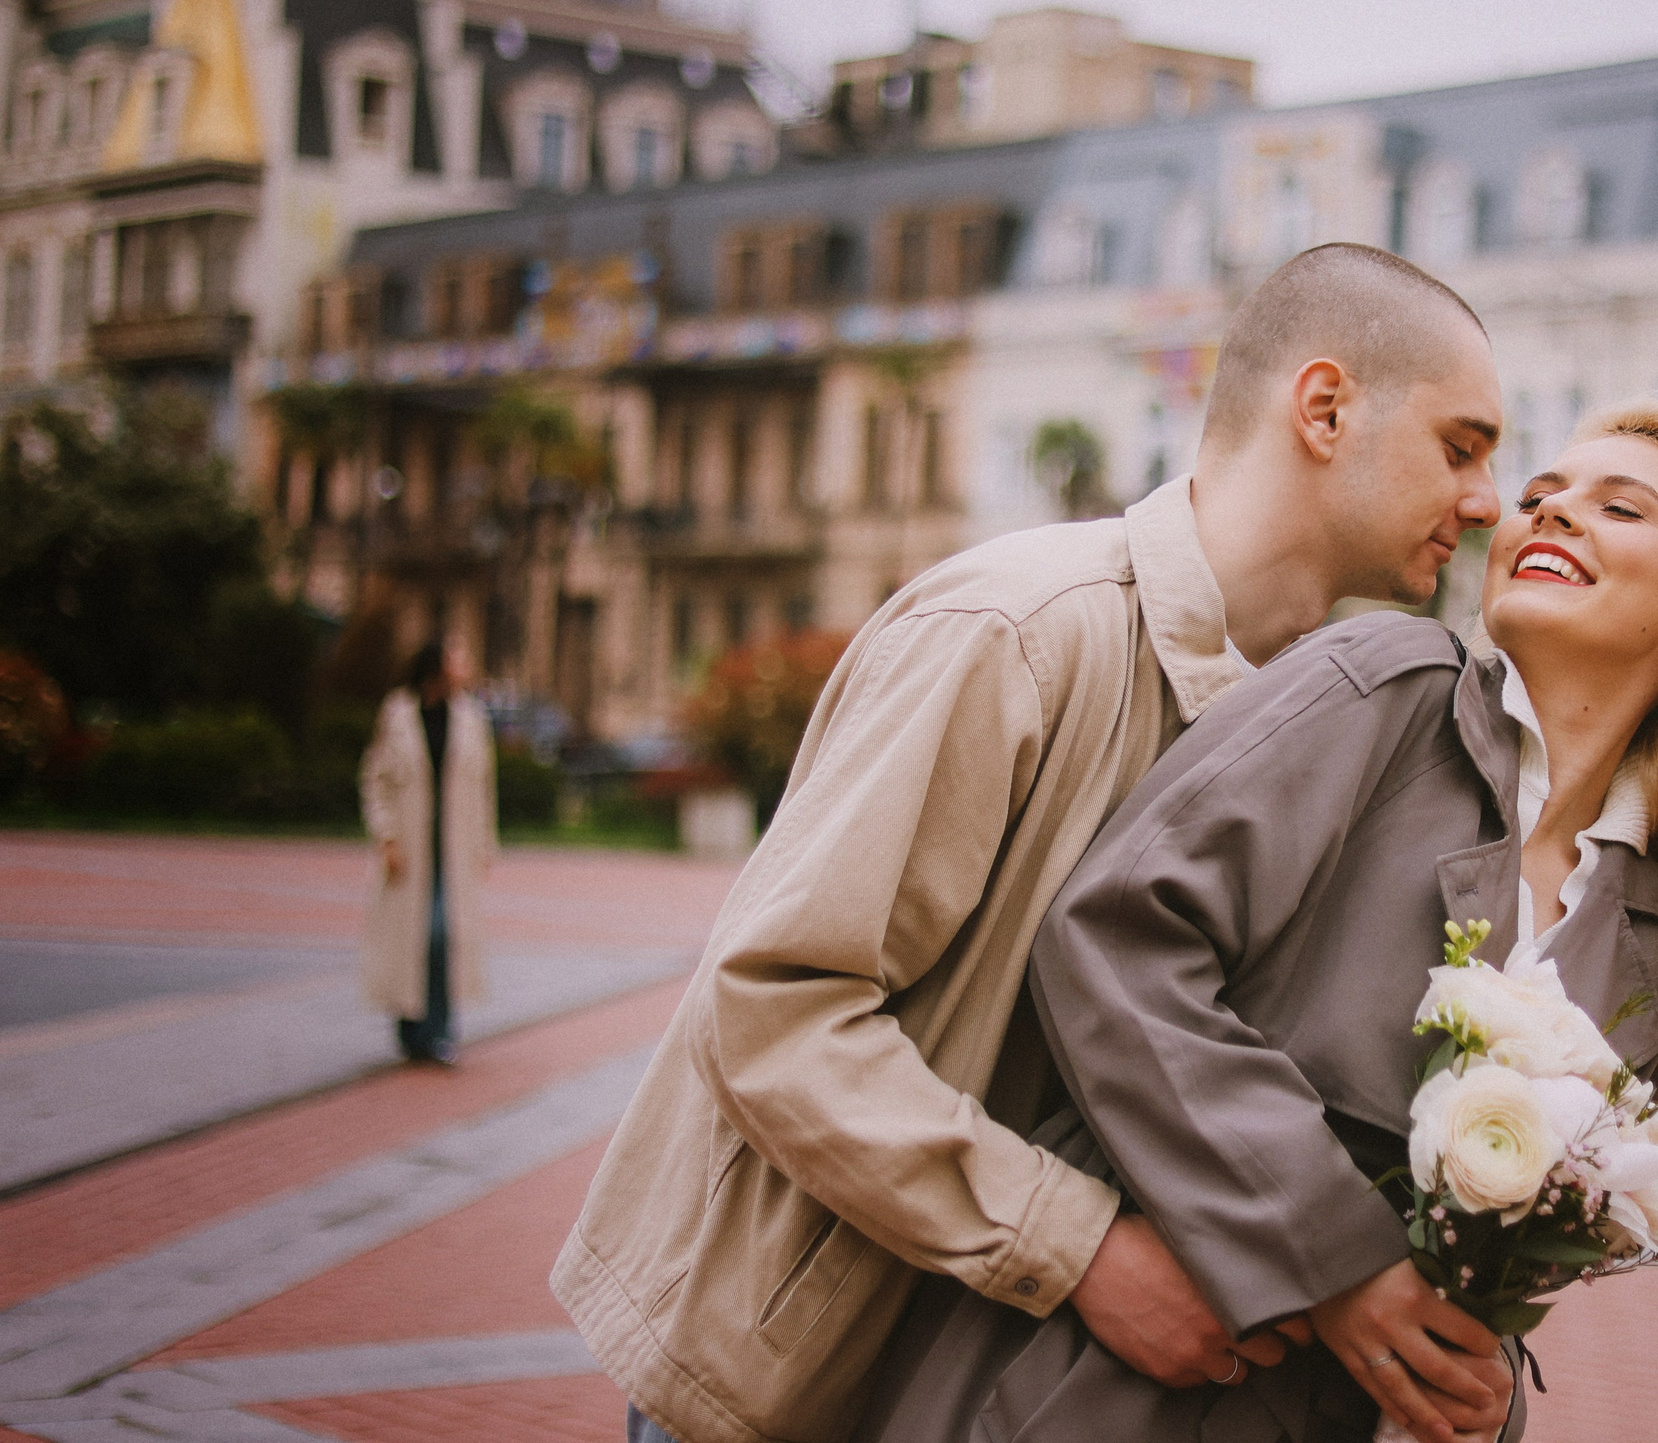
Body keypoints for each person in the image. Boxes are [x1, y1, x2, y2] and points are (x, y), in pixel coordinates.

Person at [555, 244, 1517, 1443]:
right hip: (792, 1399)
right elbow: (774, 1011)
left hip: (974, 1391)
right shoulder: (1017, 632)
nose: (1489, 501)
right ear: (1324, 409)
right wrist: (1081, 1254)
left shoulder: (1318, 722)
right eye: (1462, 446)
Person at [852, 402, 1658, 1443]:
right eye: (1540, 497)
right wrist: (1336, 1261)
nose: (1547, 516)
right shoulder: (1385, 691)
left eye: (1618, 508)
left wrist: (1482, 1393)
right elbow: (1116, 932)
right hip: (1106, 1382)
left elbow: (1505, 1249)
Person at [359, 639, 496, 1065]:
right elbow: (375, 779)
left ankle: (439, 1029)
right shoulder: (397, 713)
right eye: (457, 659)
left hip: (452, 849)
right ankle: (412, 1029)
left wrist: (484, 842)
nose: (465, 667)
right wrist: (386, 837)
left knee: (442, 935)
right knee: (413, 939)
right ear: (437, 666)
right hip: (411, 848)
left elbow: (484, 787)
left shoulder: (470, 718)